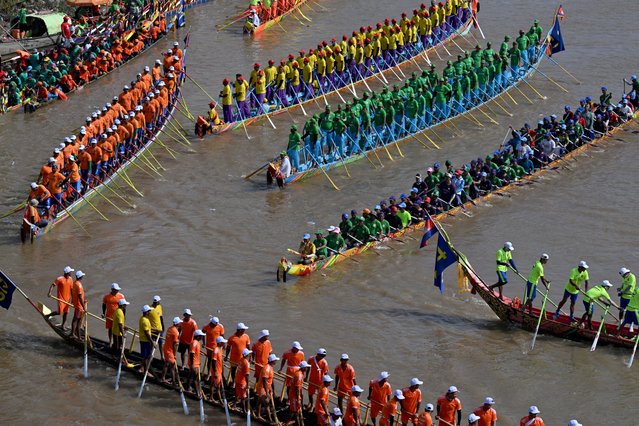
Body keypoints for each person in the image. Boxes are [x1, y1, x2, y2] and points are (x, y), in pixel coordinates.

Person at [256, 353, 279, 422]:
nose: (276, 361)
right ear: (272, 361)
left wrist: (273, 390)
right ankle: (270, 420)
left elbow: (271, 380)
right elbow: (264, 381)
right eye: (275, 360)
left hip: (266, 388)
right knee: (267, 403)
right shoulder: (266, 369)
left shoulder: (271, 368)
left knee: (259, 402)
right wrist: (267, 392)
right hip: (262, 388)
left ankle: (258, 415)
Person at [102, 282, 125, 346]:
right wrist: (103, 313)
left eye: (117, 290)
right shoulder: (106, 297)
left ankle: (120, 343)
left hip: (118, 317)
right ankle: (110, 341)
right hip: (109, 316)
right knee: (110, 329)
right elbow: (104, 305)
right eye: (116, 290)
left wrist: (124, 316)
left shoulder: (121, 296)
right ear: (112, 290)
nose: (117, 291)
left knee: (119, 329)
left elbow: (124, 307)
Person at [161, 316, 180, 385]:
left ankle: (163, 377)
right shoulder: (175, 332)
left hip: (166, 348)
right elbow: (175, 344)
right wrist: (174, 354)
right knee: (172, 366)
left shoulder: (170, 328)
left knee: (166, 364)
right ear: (177, 324)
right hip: (170, 351)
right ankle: (173, 382)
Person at [209, 336, 227, 402]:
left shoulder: (220, 349)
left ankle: (211, 397)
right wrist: (215, 371)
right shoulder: (216, 350)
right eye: (223, 343)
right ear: (219, 343)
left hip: (219, 370)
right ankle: (219, 400)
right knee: (215, 386)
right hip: (216, 371)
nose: (224, 344)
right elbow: (213, 361)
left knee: (215, 385)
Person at [235, 347, 253, 413]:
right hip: (242, 382)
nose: (250, 355)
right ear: (246, 355)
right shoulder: (246, 363)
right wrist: (247, 385)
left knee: (237, 393)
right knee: (243, 397)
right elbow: (247, 375)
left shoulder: (241, 359)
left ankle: (234, 405)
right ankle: (244, 410)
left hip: (237, 379)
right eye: (249, 354)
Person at [138, 304, 155, 374]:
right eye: (149, 311)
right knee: (146, 356)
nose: (150, 312)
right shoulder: (144, 321)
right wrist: (152, 342)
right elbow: (147, 333)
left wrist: (156, 330)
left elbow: (148, 328)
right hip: (145, 340)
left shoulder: (143, 318)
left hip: (144, 340)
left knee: (146, 356)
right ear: (146, 312)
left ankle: (142, 368)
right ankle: (145, 371)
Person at [70, 270, 87, 340]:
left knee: (77, 320)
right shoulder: (79, 285)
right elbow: (79, 297)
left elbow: (73, 293)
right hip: (79, 306)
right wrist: (84, 307)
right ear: (81, 277)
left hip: (77, 305)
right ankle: (75, 335)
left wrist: (73, 301)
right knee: (77, 321)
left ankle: (76, 334)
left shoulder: (74, 283)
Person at [148, 295, 164, 360]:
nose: (159, 302)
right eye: (158, 301)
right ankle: (151, 356)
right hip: (153, 331)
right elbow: (147, 320)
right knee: (152, 344)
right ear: (156, 302)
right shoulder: (149, 309)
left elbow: (161, 317)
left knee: (161, 343)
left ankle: (162, 356)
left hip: (159, 330)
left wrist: (163, 326)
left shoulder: (159, 307)